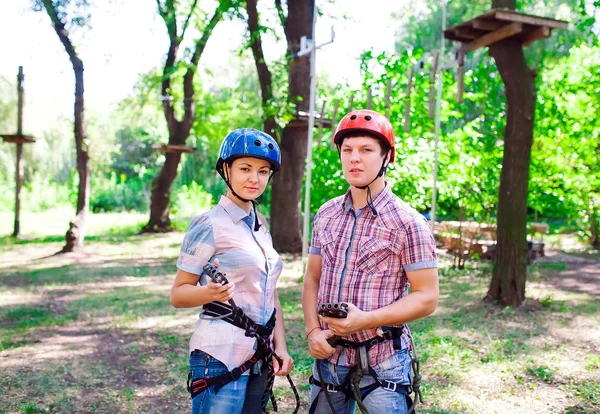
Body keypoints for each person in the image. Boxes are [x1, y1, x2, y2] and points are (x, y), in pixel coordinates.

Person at [302, 109, 439, 414]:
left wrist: (365, 320)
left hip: (384, 361)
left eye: (366, 150)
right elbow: (312, 279)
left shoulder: (408, 222)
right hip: (329, 359)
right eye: (347, 150)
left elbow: (427, 298)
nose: (354, 158)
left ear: (387, 157)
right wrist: (313, 331)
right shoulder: (325, 214)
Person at [171, 128, 294, 414]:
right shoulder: (207, 223)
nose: (255, 178)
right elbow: (178, 294)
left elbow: (270, 295)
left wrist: (282, 347)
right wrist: (208, 292)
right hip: (219, 354)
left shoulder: (260, 225)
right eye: (245, 168)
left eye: (263, 171)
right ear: (226, 169)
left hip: (260, 356)